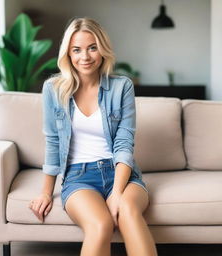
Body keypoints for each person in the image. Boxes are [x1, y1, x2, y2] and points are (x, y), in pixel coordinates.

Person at [29, 17, 158, 256]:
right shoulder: (53, 89)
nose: (85, 57)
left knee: (128, 212)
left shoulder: (122, 87)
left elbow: (124, 142)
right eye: (76, 50)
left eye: (92, 48)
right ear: (68, 53)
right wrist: (46, 192)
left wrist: (117, 194)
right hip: (79, 177)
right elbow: (53, 141)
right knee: (100, 225)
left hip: (121, 175)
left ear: (103, 50)